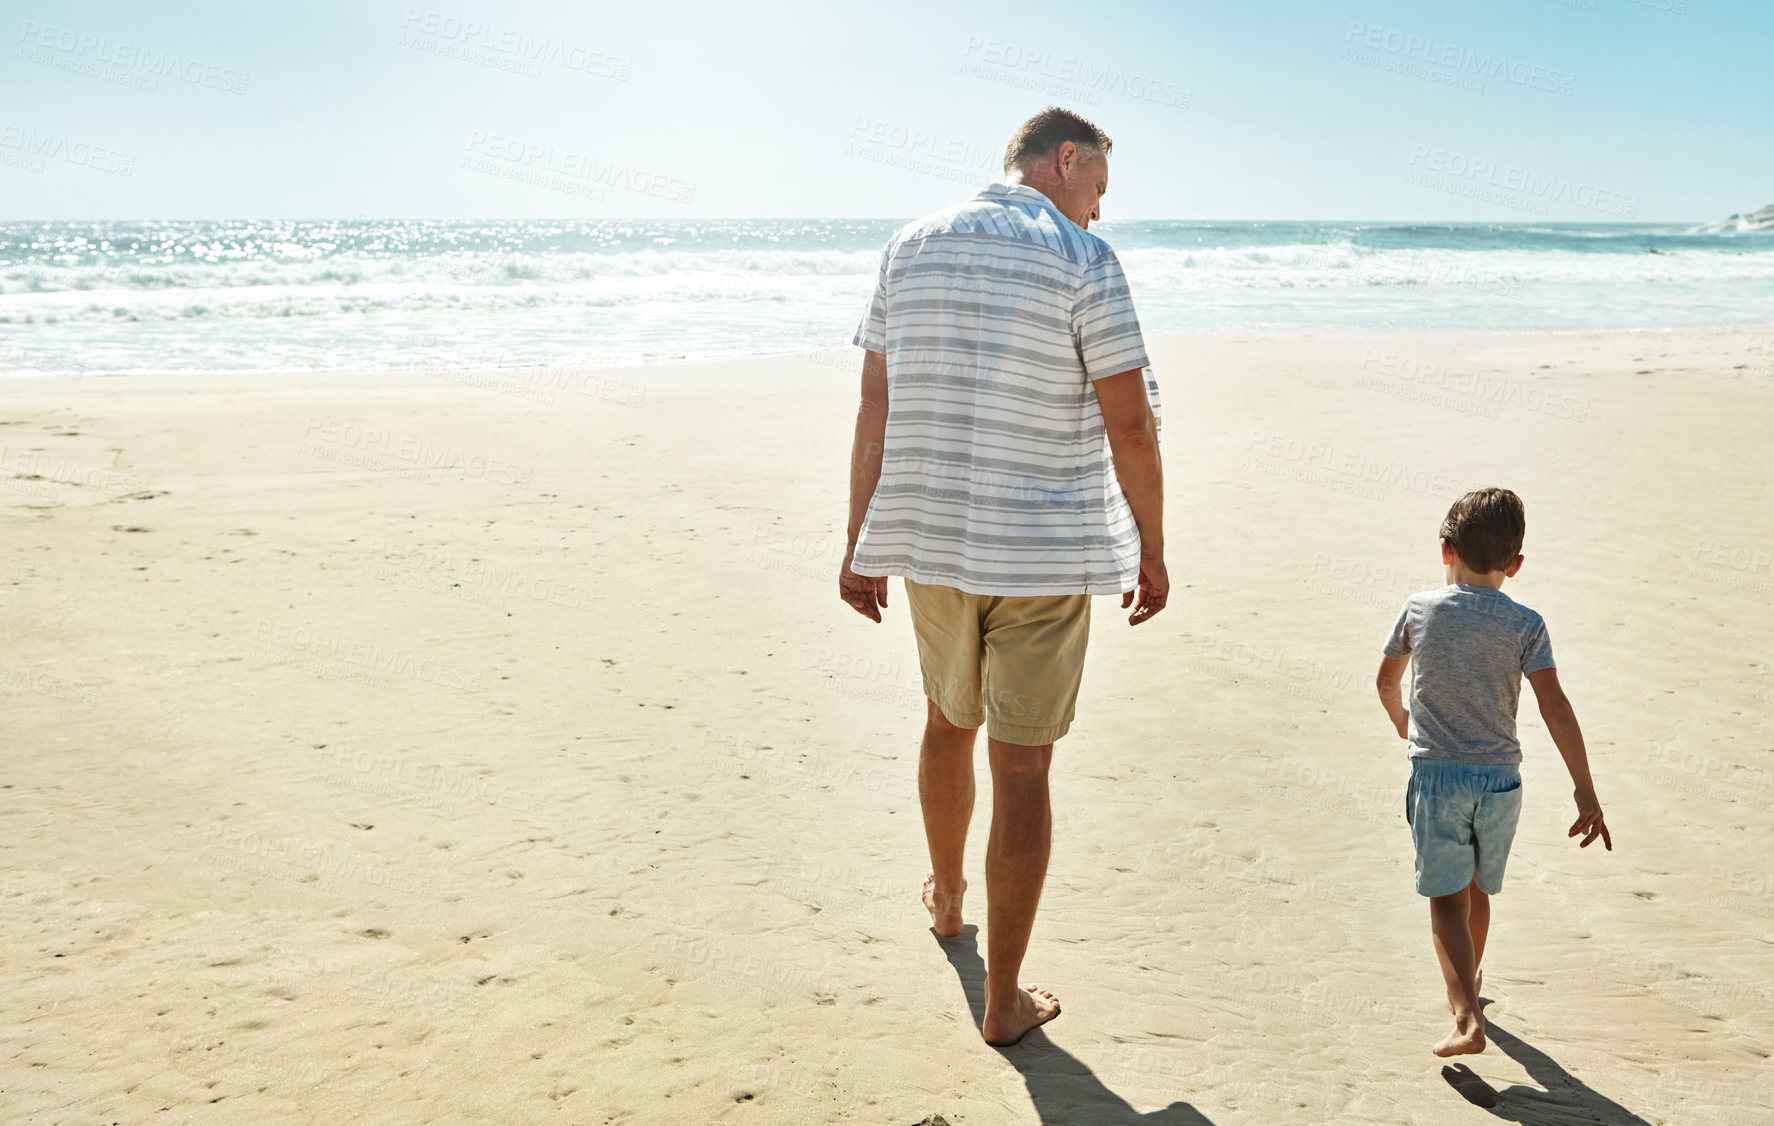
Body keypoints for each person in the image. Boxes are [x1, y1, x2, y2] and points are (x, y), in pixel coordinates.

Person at [837, 107, 1167, 1047]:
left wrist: (859, 537)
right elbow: (1130, 423)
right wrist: (1151, 545)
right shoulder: (1082, 260)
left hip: (933, 545)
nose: (1099, 211)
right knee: (1021, 765)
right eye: (1098, 188)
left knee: (947, 720)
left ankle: (947, 901)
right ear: (1067, 160)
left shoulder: (911, 244)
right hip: (1044, 553)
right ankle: (1004, 999)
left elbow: (875, 400)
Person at [1375, 487, 1612, 1057]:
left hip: (1439, 778)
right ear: (1516, 564)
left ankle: (1465, 1018)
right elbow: (1555, 704)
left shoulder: (1420, 609)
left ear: (1445, 549)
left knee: (1446, 902)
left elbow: (1385, 682)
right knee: (1479, 889)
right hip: (1502, 781)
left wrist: (1404, 723)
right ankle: (1471, 980)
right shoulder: (1526, 623)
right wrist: (1585, 789)